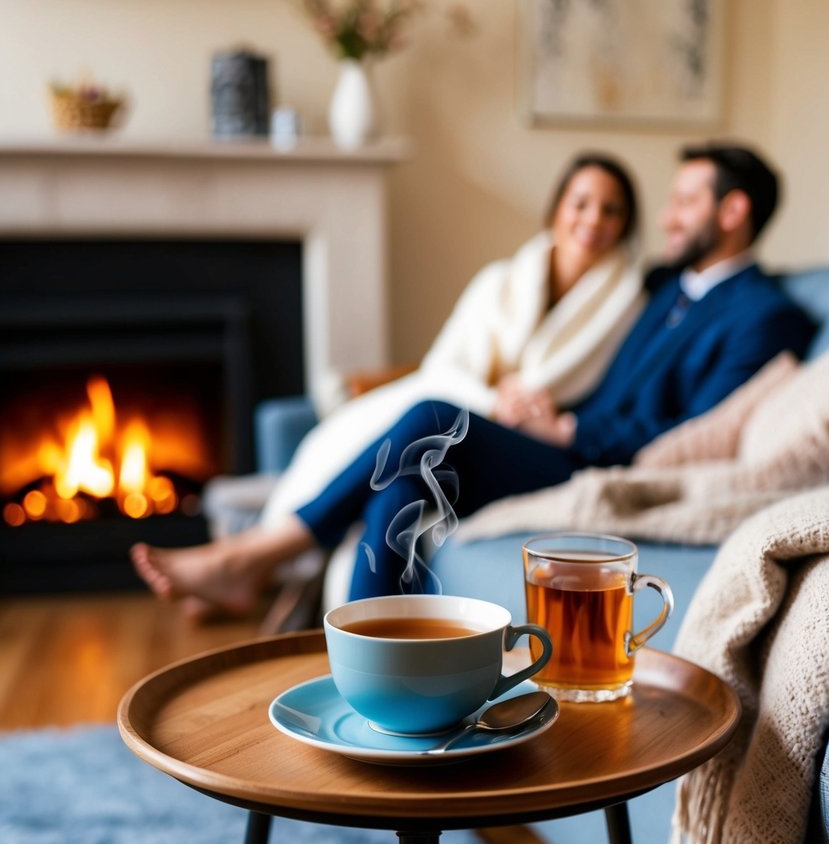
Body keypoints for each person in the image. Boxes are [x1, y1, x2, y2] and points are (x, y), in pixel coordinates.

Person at [132, 142, 816, 612]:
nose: (666, 217)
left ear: (732, 213)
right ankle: (378, 672)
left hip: (597, 461)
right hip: (563, 442)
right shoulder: (661, 286)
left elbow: (693, 433)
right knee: (400, 479)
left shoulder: (766, 316)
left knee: (435, 416)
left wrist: (570, 424)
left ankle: (259, 554)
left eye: (685, 202)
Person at [256, 151, 644, 524]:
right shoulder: (498, 282)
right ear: (556, 209)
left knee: (428, 419)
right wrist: (496, 401)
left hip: (532, 443)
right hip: (472, 411)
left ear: (625, 225)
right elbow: (442, 367)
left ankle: (263, 553)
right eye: (581, 204)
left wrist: (544, 417)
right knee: (394, 494)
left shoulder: (632, 308)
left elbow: (609, 399)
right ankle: (284, 558)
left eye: (611, 210)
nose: (594, 219)